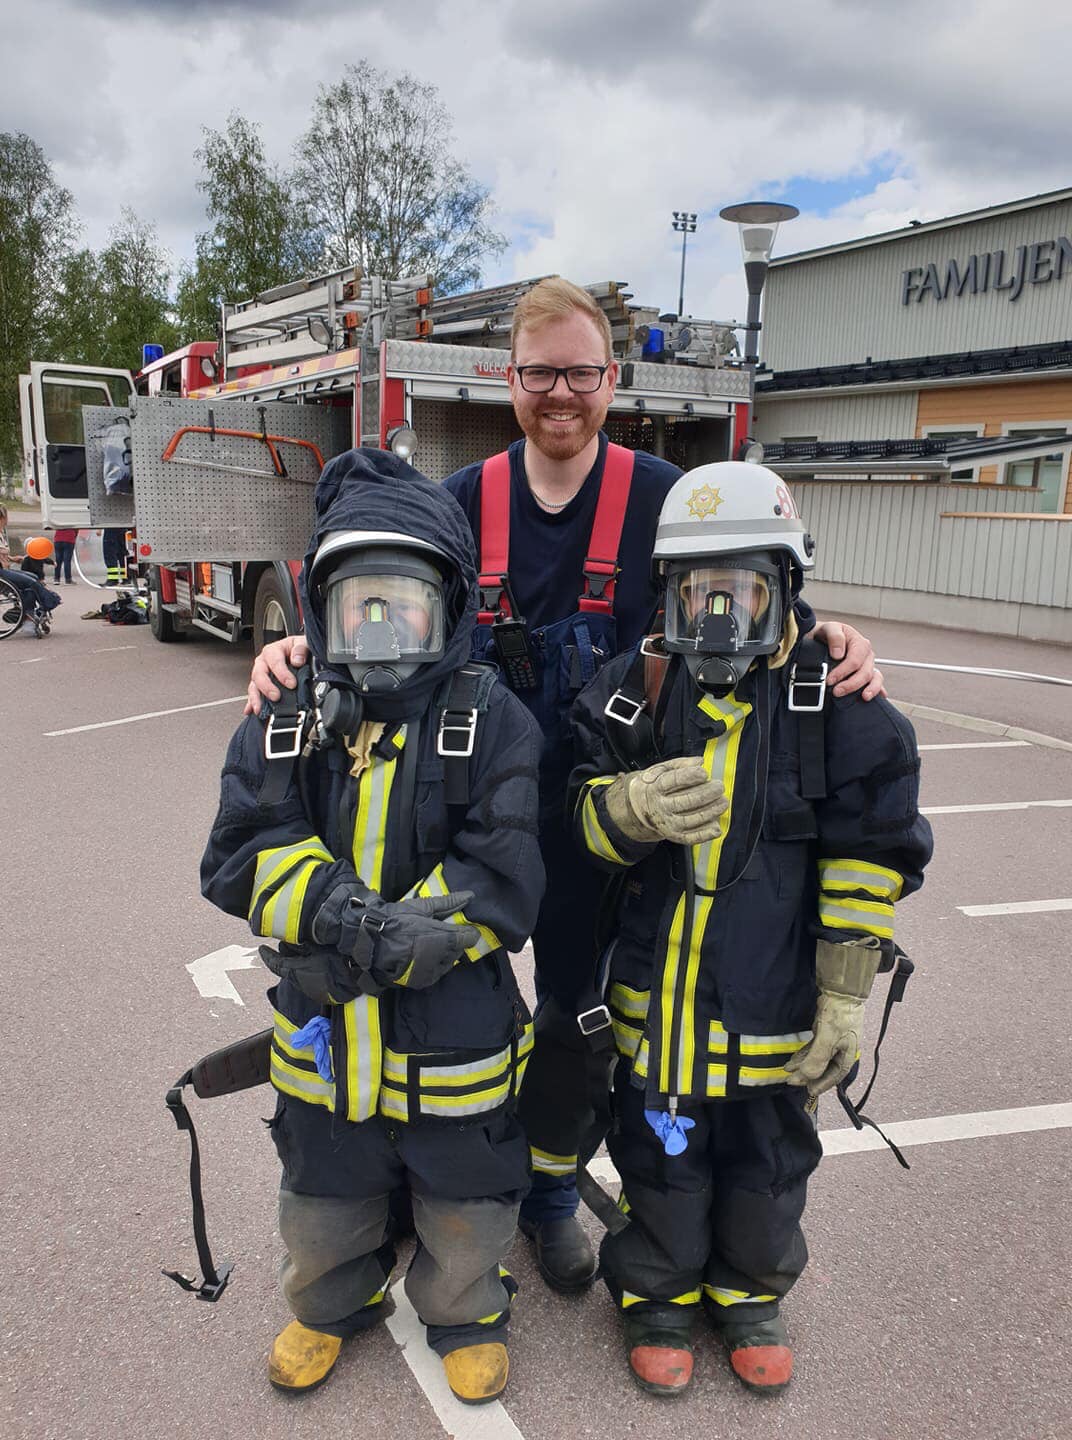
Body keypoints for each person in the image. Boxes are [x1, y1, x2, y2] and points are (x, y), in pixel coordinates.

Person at [245, 277, 885, 1293]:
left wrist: (825, 639)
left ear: (610, 379)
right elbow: (374, 603)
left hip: (611, 822)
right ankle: (446, 1182)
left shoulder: (662, 503)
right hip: (460, 818)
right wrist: (288, 664)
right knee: (458, 1008)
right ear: (510, 379)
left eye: (579, 373)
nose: (559, 394)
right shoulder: (460, 505)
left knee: (579, 1026)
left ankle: (548, 1192)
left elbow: (749, 592)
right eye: (539, 372)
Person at [567, 460, 932, 1396]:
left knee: (769, 1168)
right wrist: (627, 807)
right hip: (658, 1014)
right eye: (698, 594)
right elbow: (566, 815)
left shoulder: (838, 708)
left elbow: (871, 850)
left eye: (744, 592)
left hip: (778, 1013)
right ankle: (655, 1295)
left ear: (789, 587)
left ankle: (751, 1294)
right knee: (660, 1162)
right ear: (668, 594)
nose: (719, 619)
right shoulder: (633, 693)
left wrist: (847, 996)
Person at [200, 448, 544, 1405]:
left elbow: (506, 868)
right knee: (321, 1200)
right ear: (321, 607)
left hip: (459, 1035)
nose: (382, 623)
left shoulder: (497, 719)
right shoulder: (283, 716)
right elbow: (240, 848)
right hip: (324, 1030)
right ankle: (328, 1306)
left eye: (404, 598)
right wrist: (344, 915)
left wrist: (421, 932)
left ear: (451, 606)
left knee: (469, 1202)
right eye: (361, 601)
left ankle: (465, 1310)